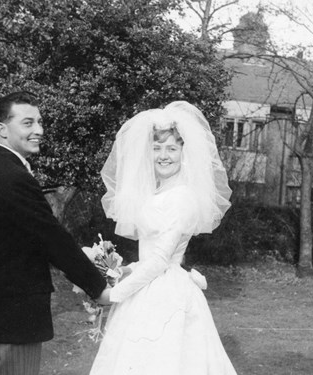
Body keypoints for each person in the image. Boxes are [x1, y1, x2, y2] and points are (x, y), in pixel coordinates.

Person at [0, 91, 111, 375]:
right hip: (10, 322)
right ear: (2, 129)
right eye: (28, 123)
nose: (39, 130)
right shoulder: (13, 177)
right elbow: (52, 238)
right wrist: (98, 288)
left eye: (39, 122)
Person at [90, 101, 236, 374]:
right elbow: (150, 252)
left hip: (165, 292)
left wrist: (114, 294)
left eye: (171, 148)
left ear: (184, 152)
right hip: (147, 285)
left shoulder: (183, 198)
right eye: (157, 148)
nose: (163, 155)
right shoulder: (158, 193)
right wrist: (124, 269)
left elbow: (160, 259)